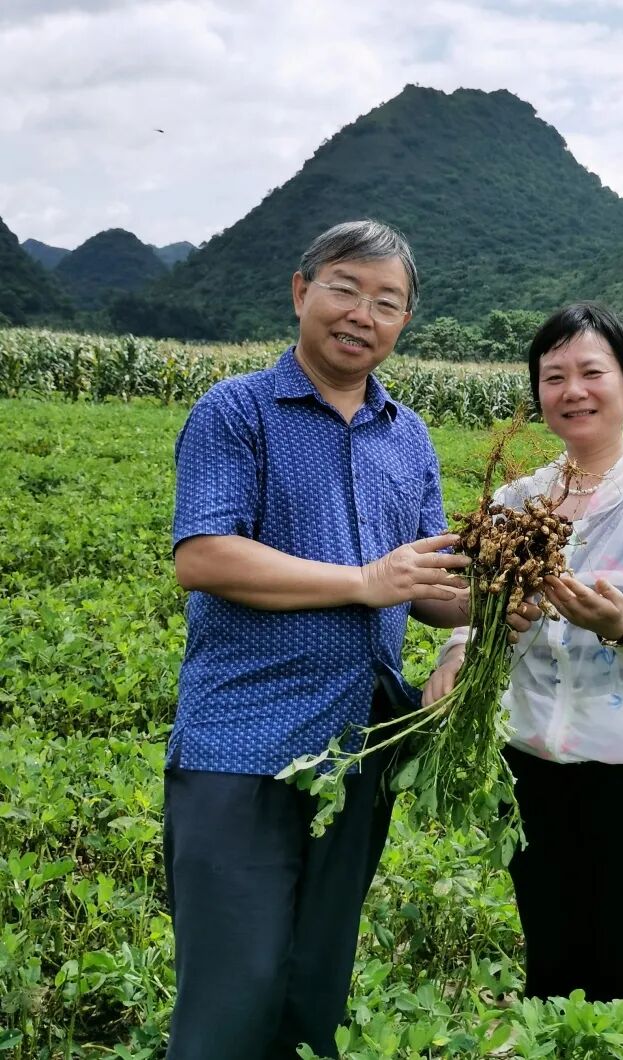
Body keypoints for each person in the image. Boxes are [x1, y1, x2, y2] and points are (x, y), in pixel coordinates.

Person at [163, 220, 479, 1059]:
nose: (361, 314)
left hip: (357, 749)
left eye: (386, 302)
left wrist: (484, 611)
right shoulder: (236, 410)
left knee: (314, 991)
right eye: (345, 288)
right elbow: (204, 555)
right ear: (302, 291)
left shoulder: (406, 434)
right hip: (242, 744)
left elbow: (426, 585)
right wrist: (362, 580)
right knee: (231, 997)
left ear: (404, 321)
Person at [425, 302, 623, 1004]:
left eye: (592, 372)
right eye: (553, 376)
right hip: (531, 766)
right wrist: (458, 651)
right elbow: (481, 606)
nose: (572, 390)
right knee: (550, 966)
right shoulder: (517, 497)